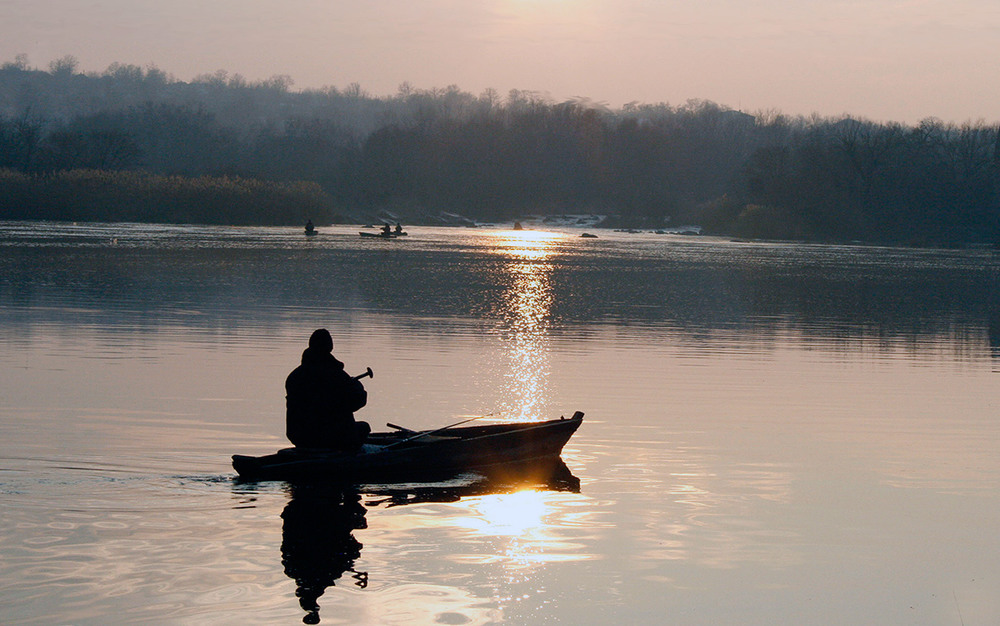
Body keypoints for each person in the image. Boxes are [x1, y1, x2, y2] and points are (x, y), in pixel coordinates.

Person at [285, 329, 370, 451]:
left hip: (300, 437)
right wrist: (358, 387)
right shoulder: (336, 375)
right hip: (332, 437)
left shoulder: (294, 376)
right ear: (330, 347)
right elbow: (356, 402)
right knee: (364, 427)